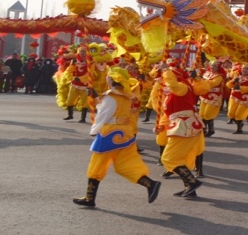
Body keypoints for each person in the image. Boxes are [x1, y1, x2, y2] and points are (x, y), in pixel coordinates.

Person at [72, 67, 161, 208]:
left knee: (97, 164)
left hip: (110, 132)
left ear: (112, 79)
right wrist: (95, 97)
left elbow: (104, 114)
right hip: (125, 132)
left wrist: (94, 130)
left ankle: (90, 198)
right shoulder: (126, 95)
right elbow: (112, 110)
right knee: (124, 165)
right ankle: (150, 184)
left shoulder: (110, 96)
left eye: (108, 76)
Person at [158, 61, 207, 197]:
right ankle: (190, 188)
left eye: (167, 76)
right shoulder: (175, 92)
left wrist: (166, 69)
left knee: (168, 158)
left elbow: (173, 84)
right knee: (178, 158)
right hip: (181, 126)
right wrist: (161, 125)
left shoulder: (182, 87)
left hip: (184, 126)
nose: (165, 80)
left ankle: (192, 182)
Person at [198, 60, 226, 137]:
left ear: (218, 68)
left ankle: (207, 130)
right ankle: (207, 130)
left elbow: (213, 84)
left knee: (207, 114)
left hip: (214, 97)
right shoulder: (207, 73)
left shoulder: (219, 76)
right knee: (201, 114)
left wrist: (202, 80)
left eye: (215, 66)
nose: (213, 67)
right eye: (212, 65)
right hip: (205, 95)